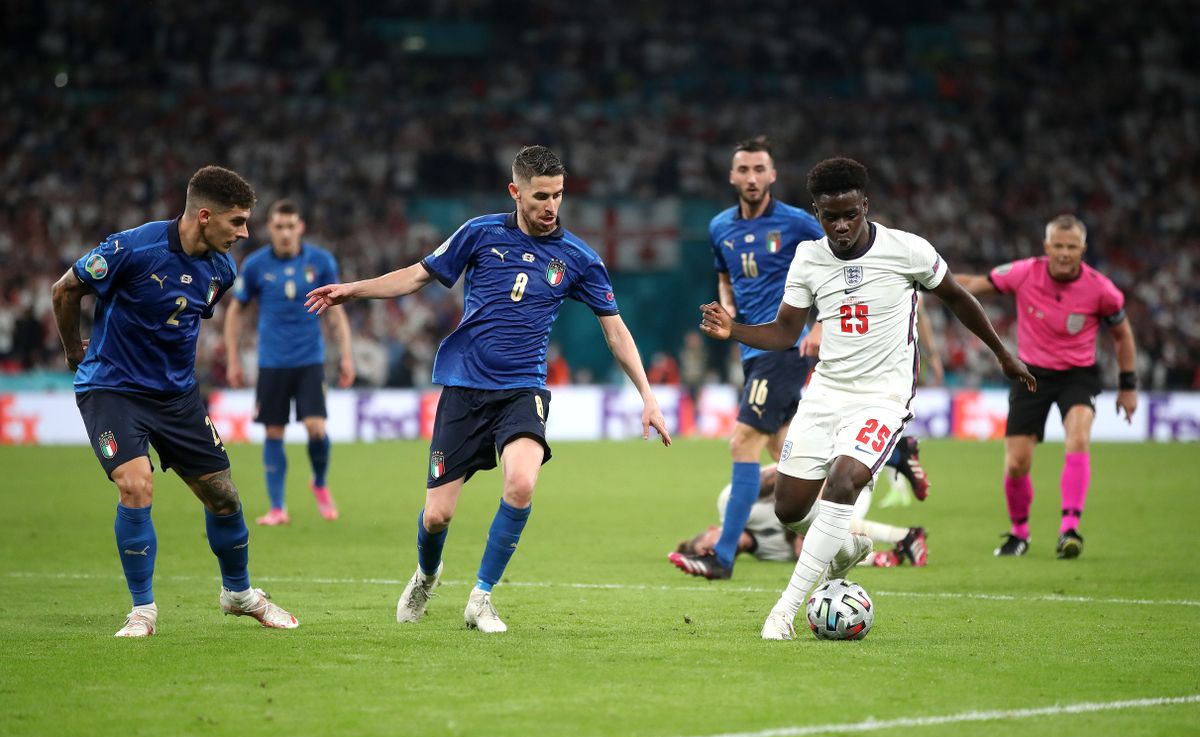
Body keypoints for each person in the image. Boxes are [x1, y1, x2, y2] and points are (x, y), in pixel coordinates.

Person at [306, 145, 672, 633]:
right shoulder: (479, 233)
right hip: (464, 388)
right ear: (515, 191)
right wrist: (352, 290)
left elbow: (615, 329)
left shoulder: (579, 257)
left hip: (523, 389)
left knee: (521, 483)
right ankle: (426, 574)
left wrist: (647, 395)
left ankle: (481, 597)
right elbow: (416, 276)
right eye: (540, 196)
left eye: (559, 196)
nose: (551, 206)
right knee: (437, 516)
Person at [699, 157, 1035, 640]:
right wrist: (735, 331)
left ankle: (782, 612)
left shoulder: (907, 250)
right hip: (826, 392)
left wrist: (1003, 354)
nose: (840, 225)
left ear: (865, 206)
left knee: (844, 481)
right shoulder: (809, 258)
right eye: (830, 216)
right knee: (789, 509)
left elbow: (959, 296)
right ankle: (845, 548)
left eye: (850, 214)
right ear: (816, 212)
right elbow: (786, 331)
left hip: (883, 396)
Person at [50, 166, 298, 637]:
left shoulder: (223, 269)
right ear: (205, 216)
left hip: (177, 397)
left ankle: (239, 594)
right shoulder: (130, 249)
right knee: (136, 484)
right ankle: (143, 610)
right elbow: (64, 291)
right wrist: (74, 351)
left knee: (223, 497)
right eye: (237, 222)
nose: (245, 233)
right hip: (113, 389)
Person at [668, 136, 825, 581]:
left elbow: (835, 267)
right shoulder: (720, 227)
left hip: (783, 348)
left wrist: (820, 323)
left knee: (742, 443)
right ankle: (845, 540)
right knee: (789, 454)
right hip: (751, 350)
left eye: (760, 169)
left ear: (773, 175)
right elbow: (724, 275)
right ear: (732, 176)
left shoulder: (797, 223)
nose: (752, 178)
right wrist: (729, 309)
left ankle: (722, 557)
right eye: (744, 170)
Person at [956, 214, 1138, 559]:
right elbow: (974, 284)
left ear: (1083, 249)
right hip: (1031, 374)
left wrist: (1128, 386)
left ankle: (1069, 528)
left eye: (1072, 246)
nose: (1065, 253)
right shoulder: (1025, 272)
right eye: (1058, 245)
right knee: (1016, 463)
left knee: (1079, 436)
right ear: (1047, 247)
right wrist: (928, 281)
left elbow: (1122, 334)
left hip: (1077, 375)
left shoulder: (1102, 290)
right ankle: (1019, 533)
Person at [223, 199, 355, 525]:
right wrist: (233, 359)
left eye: (290, 226)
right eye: (279, 226)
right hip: (272, 362)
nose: (285, 233)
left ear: (300, 227)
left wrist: (347, 356)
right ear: (270, 228)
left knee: (316, 428)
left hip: (309, 359)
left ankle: (319, 482)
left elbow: (336, 310)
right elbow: (236, 310)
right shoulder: (255, 266)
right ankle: (278, 507)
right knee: (273, 431)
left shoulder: (320, 262)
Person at [676, 457, 929, 569]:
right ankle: (892, 550)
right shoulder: (768, 555)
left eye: (705, 549)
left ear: (712, 529)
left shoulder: (730, 503)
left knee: (823, 519)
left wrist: (801, 532)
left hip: (833, 471)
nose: (713, 552)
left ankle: (899, 456)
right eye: (709, 557)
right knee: (823, 538)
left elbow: (787, 476)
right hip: (843, 498)